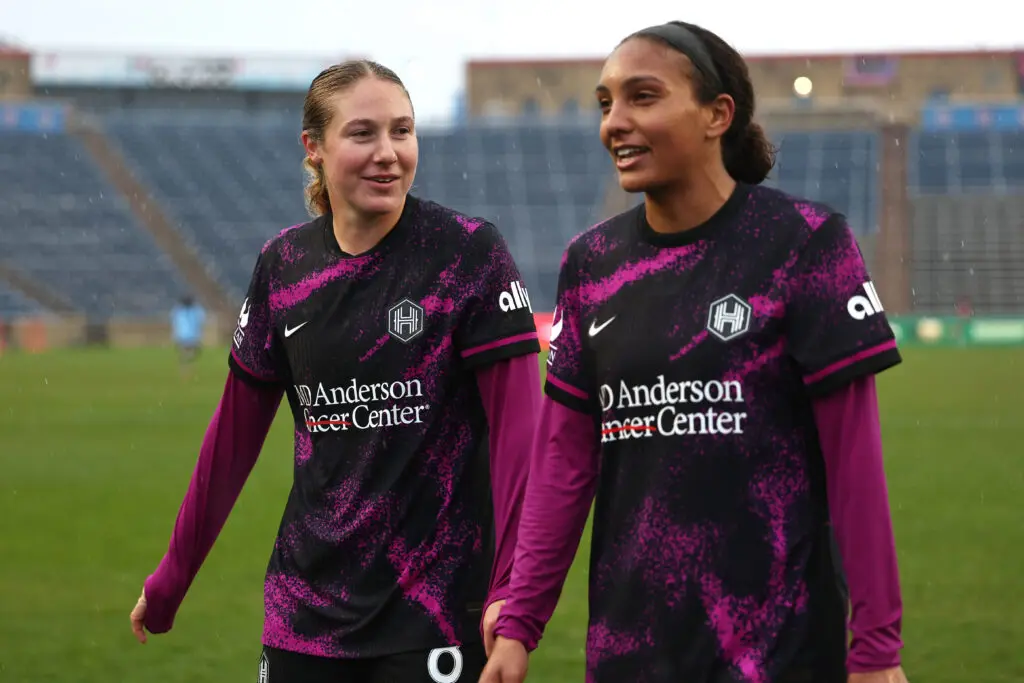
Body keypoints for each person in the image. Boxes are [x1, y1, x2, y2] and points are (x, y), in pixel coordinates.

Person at [481, 21, 909, 683]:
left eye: (643, 97)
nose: (614, 123)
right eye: (605, 103)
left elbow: (854, 461)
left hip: (779, 655)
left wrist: (877, 648)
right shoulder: (590, 263)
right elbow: (564, 462)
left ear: (717, 114)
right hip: (628, 655)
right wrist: (519, 625)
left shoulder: (804, 244)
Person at [129, 59, 543, 683]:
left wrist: (514, 589)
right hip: (303, 617)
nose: (388, 154)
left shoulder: (467, 255)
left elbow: (521, 439)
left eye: (402, 131)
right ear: (314, 149)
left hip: (434, 615)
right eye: (363, 134)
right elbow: (231, 444)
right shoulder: (284, 266)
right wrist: (172, 576)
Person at [170, 294, 206, 373]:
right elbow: (201, 320)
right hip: (191, 336)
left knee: (186, 352)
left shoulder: (178, 310)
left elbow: (174, 322)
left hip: (182, 336)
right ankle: (188, 367)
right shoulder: (195, 310)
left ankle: (185, 367)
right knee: (191, 353)